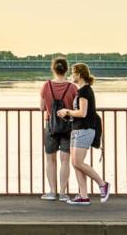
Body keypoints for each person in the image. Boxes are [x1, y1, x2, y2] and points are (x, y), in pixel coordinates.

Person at [57, 63, 110, 206]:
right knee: (76, 164)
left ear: (79, 75)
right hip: (78, 128)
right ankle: (83, 196)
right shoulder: (82, 91)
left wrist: (67, 111)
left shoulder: (84, 91)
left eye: (73, 73)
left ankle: (102, 184)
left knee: (77, 162)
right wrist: (67, 115)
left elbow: (83, 112)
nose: (71, 76)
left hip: (84, 130)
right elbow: (80, 114)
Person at [39, 56, 78, 202]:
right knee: (65, 160)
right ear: (66, 69)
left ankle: (52, 192)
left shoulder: (46, 86)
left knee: (50, 159)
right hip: (68, 126)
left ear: (53, 69)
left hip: (51, 125)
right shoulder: (73, 88)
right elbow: (76, 108)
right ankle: (63, 193)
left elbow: (42, 108)